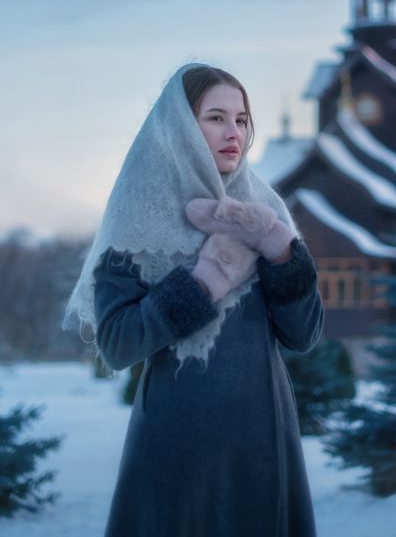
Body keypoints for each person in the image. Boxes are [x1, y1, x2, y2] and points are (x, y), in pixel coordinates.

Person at [62, 62, 325, 537]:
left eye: (241, 119)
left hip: (263, 441)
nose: (234, 132)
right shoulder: (137, 216)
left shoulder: (264, 209)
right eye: (215, 118)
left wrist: (281, 250)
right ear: (180, 127)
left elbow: (303, 335)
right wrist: (203, 283)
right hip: (177, 444)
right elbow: (118, 344)